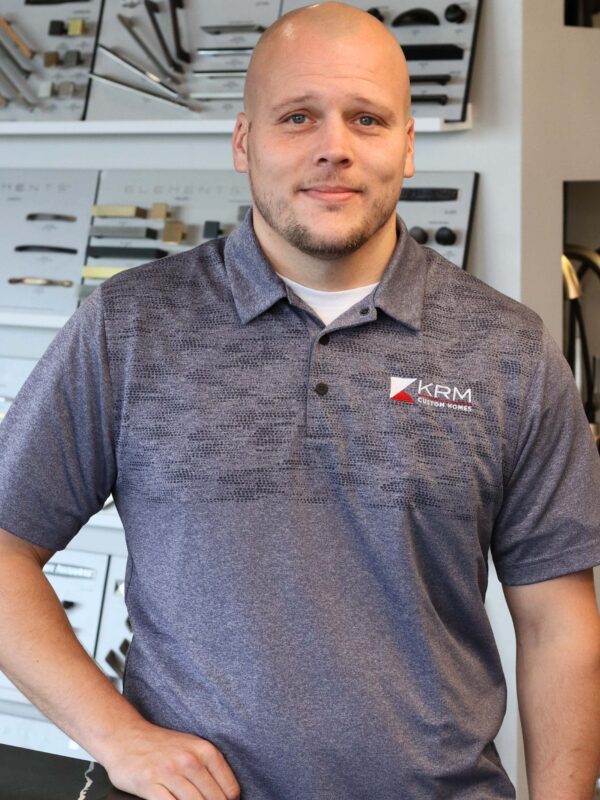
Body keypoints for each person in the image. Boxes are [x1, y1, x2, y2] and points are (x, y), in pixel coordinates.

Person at [0, 3, 599, 799]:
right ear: (244, 142)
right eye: (297, 117)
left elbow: (558, 621)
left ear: (408, 146)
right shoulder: (132, 327)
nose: (334, 149)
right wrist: (119, 738)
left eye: (368, 118)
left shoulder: (508, 351)